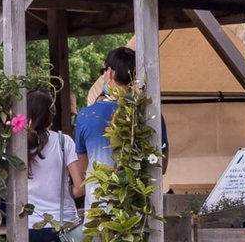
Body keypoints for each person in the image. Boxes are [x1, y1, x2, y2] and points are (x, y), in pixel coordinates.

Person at [74, 47, 168, 207]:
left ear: (110, 72)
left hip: (98, 211)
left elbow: (82, 169)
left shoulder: (86, 116)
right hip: (138, 210)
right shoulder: (150, 115)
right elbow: (162, 166)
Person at [26, 89, 85, 242]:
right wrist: (64, 192)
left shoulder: (14, 145)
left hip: (27, 225)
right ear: (50, 114)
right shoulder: (64, 142)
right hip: (63, 225)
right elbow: (80, 188)